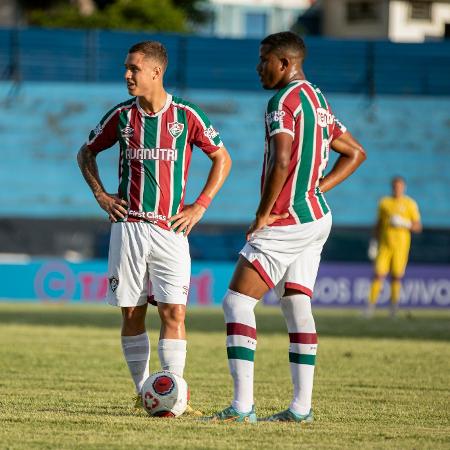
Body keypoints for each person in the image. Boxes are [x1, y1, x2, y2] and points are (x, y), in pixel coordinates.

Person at [209, 31, 366, 423]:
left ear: (284, 62)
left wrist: (263, 215)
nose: (258, 67)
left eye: (264, 59)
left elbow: (281, 160)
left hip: (287, 220)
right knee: (296, 304)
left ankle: (242, 407)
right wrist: (317, 187)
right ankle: (300, 409)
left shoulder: (282, 102)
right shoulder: (318, 99)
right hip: (317, 216)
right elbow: (355, 153)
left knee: (237, 302)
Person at [77, 41, 231, 413]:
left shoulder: (186, 115)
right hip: (128, 227)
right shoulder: (121, 117)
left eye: (134, 69)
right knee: (132, 311)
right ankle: (144, 392)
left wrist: (200, 205)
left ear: (156, 72)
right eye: (126, 68)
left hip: (171, 231)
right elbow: (86, 152)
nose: (127, 75)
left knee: (174, 312)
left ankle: (173, 392)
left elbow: (222, 158)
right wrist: (101, 194)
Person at [366, 176, 422, 318]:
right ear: (392, 187)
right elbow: (378, 224)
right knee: (378, 275)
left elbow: (417, 227)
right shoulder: (385, 202)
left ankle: (393, 308)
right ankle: (370, 308)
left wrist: (405, 223)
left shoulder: (410, 204)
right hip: (385, 246)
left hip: (401, 247)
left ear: (404, 188)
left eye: (400, 186)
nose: (398, 189)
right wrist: (374, 243)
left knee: (396, 277)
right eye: (395, 186)